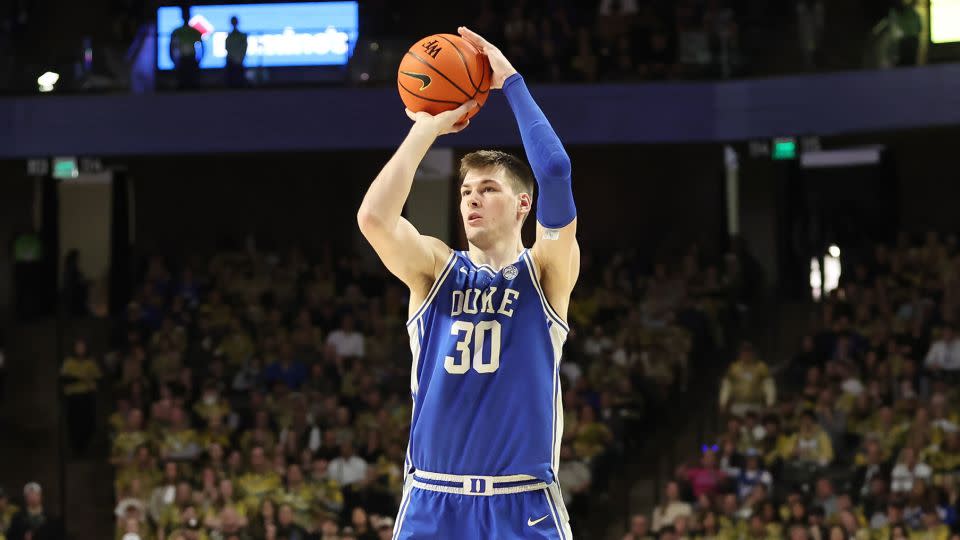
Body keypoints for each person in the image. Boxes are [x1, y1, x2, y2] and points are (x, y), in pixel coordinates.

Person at [357, 25, 579, 539]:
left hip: (522, 500)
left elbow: (557, 170)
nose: (472, 199)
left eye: (488, 189)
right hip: (433, 498)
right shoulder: (436, 268)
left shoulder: (545, 272)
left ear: (524, 204)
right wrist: (427, 127)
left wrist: (512, 83)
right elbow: (374, 219)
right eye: (465, 191)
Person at [170, 6, 203, 90]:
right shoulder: (176, 31)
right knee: (183, 86)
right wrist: (174, 61)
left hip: (192, 61)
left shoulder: (195, 32)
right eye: (185, 14)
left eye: (186, 14)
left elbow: (202, 47)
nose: (186, 16)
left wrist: (199, 60)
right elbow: (171, 47)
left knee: (193, 86)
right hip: (182, 61)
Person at [224, 16, 247, 88]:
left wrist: (239, 58)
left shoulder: (242, 36)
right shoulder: (229, 36)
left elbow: (244, 48)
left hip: (238, 62)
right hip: (232, 62)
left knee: (239, 81)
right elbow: (227, 48)